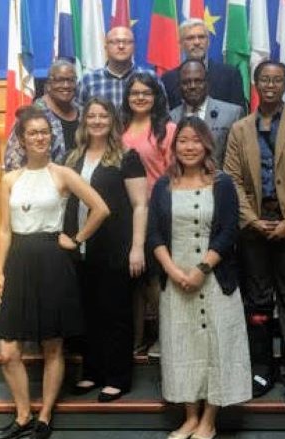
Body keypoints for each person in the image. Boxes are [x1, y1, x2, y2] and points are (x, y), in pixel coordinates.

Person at [0, 106, 110, 439]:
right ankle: (23, 414)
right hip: (18, 261)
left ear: (51, 136)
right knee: (8, 352)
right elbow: (3, 230)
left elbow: (101, 209)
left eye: (45, 132)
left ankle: (44, 418)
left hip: (53, 261)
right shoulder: (9, 179)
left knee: (52, 346)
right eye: (33, 133)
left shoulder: (62, 174)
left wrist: (76, 239)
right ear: (21, 139)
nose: (40, 137)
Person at [223, 60, 285, 406]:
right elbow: (231, 177)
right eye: (264, 79)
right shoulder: (240, 129)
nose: (270, 85)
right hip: (253, 227)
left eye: (277, 80)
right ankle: (261, 369)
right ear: (255, 83)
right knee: (258, 301)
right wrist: (250, 219)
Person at [148, 117, 251, 439]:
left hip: (214, 280)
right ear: (174, 147)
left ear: (206, 144)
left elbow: (228, 231)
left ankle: (209, 420)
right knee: (182, 348)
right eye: (182, 141)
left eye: (195, 140)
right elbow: (154, 234)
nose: (189, 147)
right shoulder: (163, 186)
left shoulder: (222, 183)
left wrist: (200, 270)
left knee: (216, 348)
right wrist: (174, 271)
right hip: (175, 282)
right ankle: (190, 418)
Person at [63, 98, 148, 402]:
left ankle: (118, 377)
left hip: (116, 247)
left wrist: (138, 247)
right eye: (92, 116)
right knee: (87, 312)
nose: (97, 121)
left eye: (103, 116)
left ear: (113, 121)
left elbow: (140, 205)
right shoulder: (73, 157)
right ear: (84, 121)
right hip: (80, 249)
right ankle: (91, 372)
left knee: (115, 313)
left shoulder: (127, 157)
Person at [121, 71, 177, 357]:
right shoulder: (119, 128)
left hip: (156, 210)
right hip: (124, 212)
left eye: (146, 93)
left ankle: (166, 337)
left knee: (153, 277)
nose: (140, 97)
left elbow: (174, 174)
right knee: (134, 279)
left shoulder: (166, 129)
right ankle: (137, 339)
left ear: (155, 97)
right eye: (134, 93)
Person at [5, 60, 80, 171]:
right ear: (48, 85)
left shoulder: (83, 113)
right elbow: (13, 162)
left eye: (71, 80)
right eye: (59, 80)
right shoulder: (31, 116)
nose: (66, 85)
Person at [169, 59, 244, 166]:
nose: (192, 86)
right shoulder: (171, 118)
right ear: (179, 85)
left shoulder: (232, 114)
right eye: (186, 82)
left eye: (198, 81)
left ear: (207, 83)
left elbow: (239, 160)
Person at [161, 19, 246, 109]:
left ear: (208, 42)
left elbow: (239, 115)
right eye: (190, 38)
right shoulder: (168, 79)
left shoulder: (230, 74)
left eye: (201, 37)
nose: (197, 42)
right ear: (181, 44)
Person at [75, 26, 165, 110]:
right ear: (106, 47)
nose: (121, 46)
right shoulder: (88, 81)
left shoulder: (151, 77)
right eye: (115, 42)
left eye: (126, 42)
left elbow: (163, 113)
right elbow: (80, 118)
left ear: (134, 47)